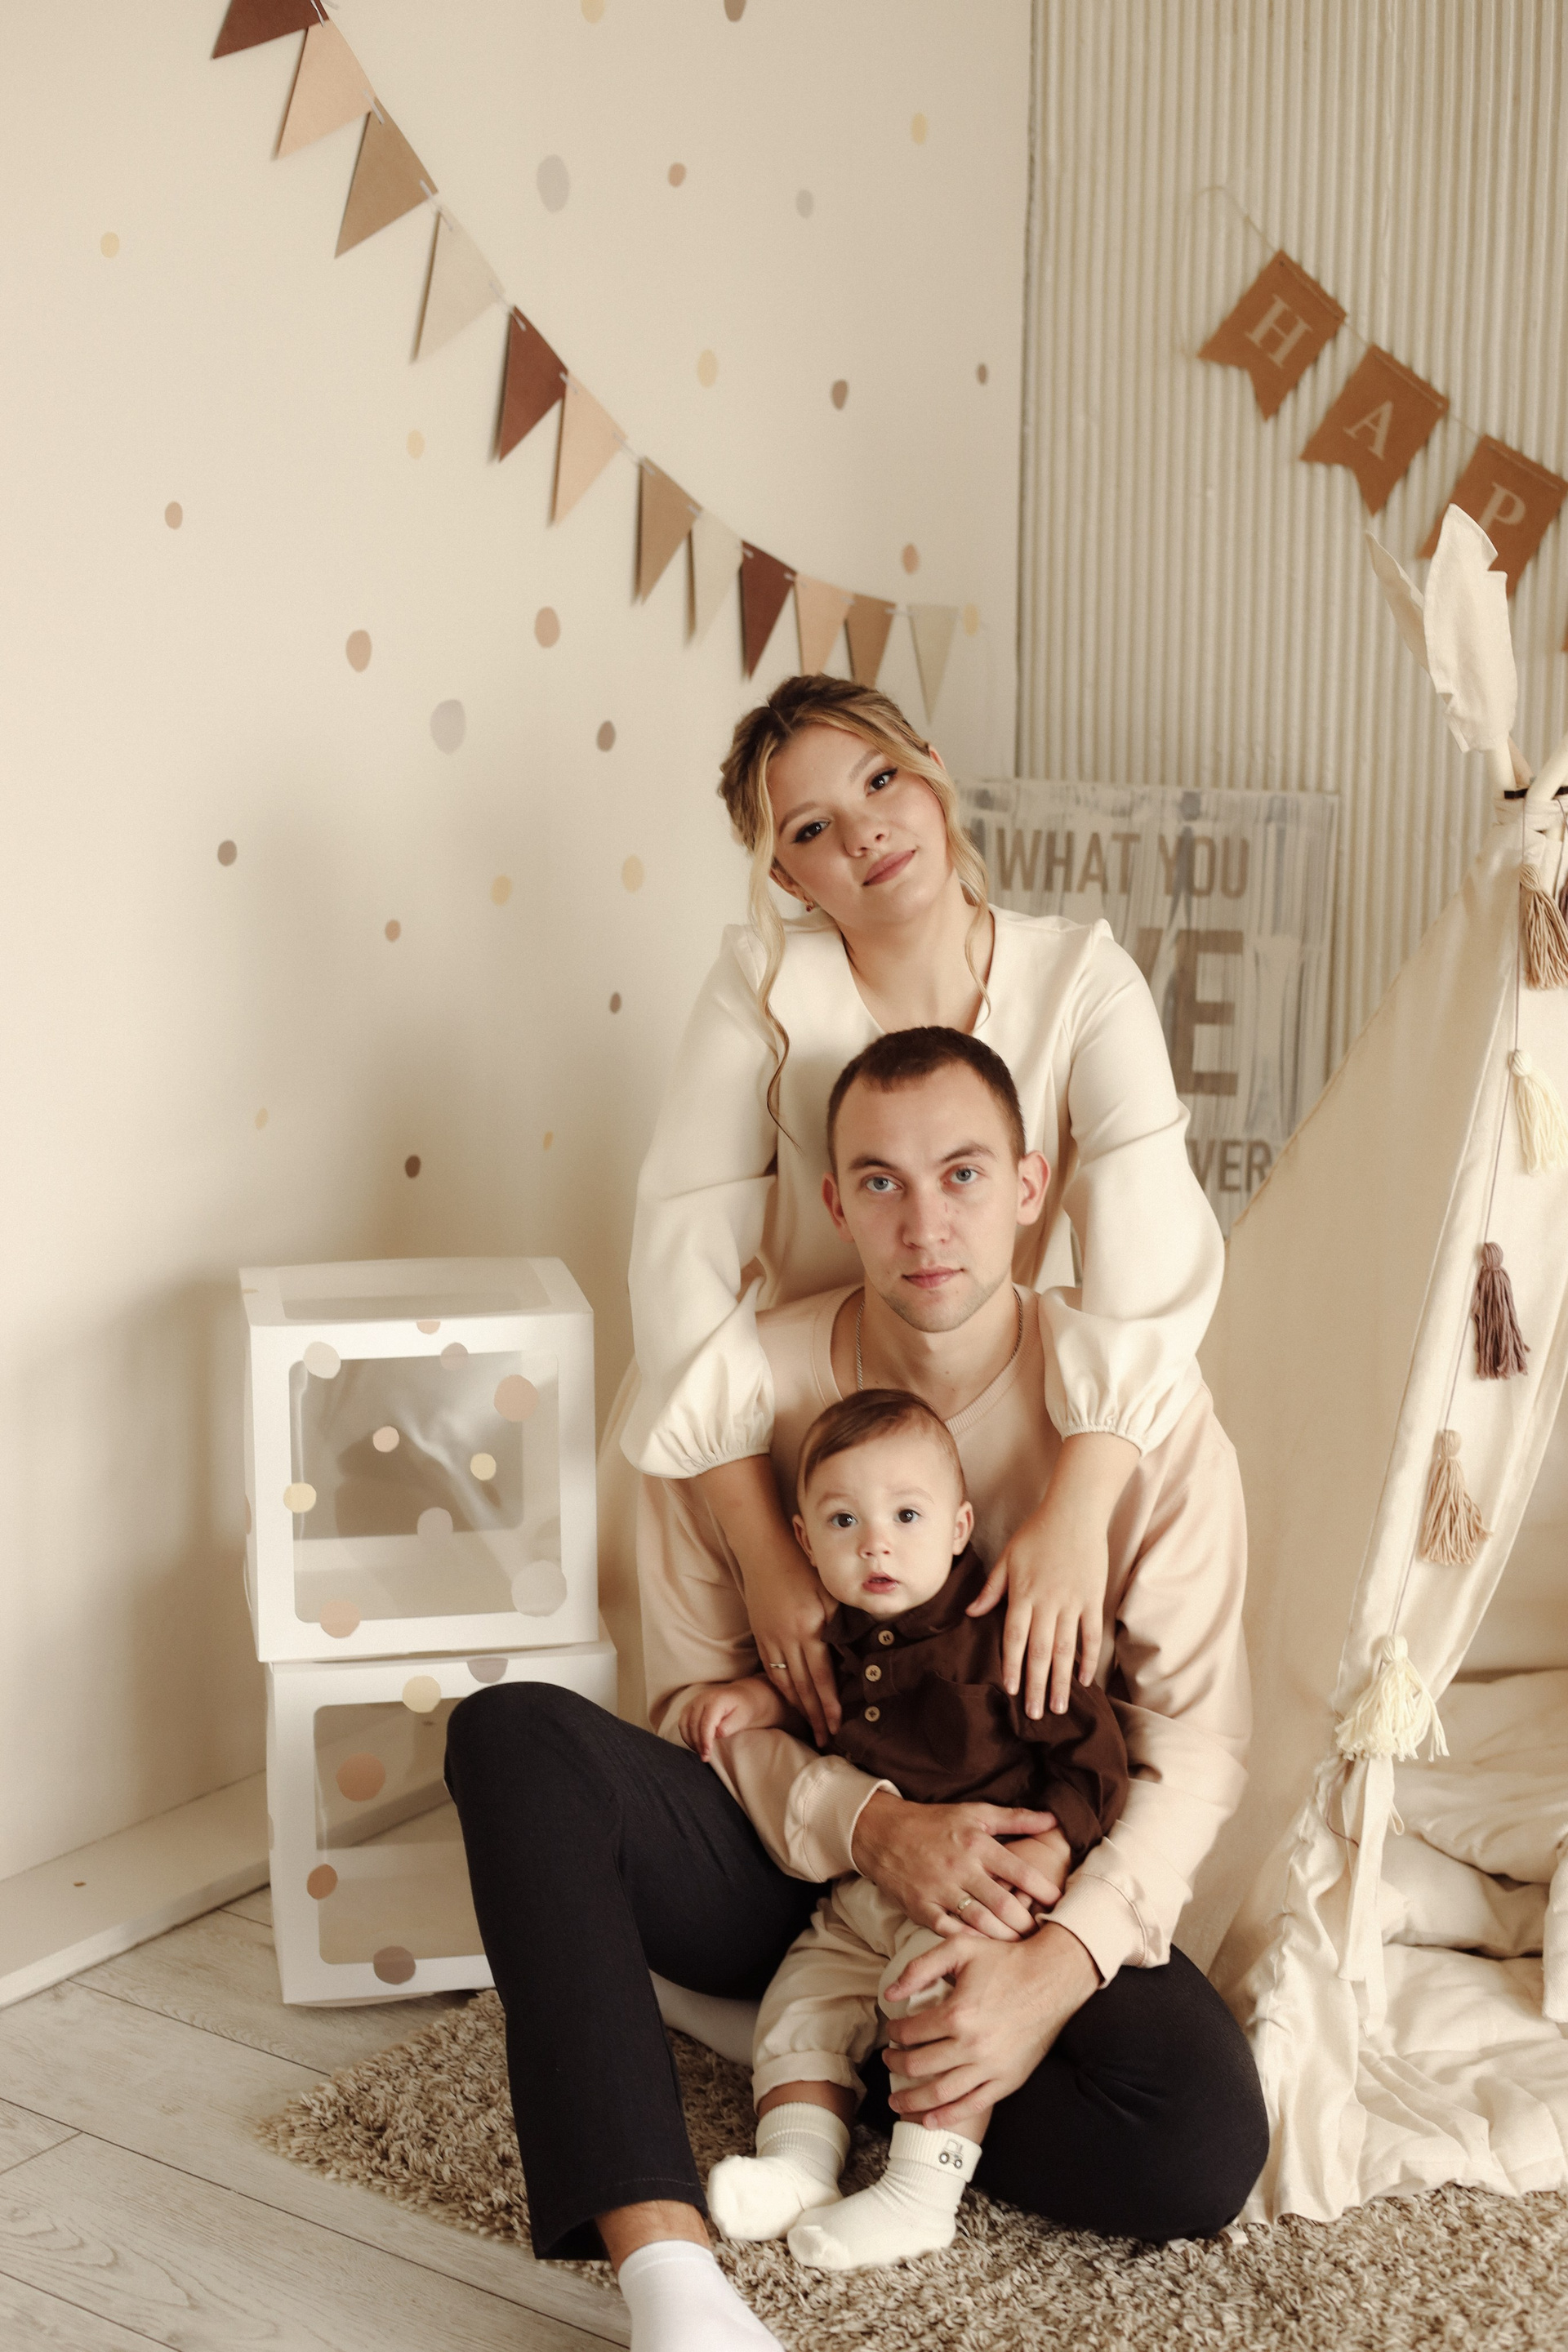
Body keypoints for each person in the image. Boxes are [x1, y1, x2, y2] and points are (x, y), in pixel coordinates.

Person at [444, 1027, 1264, 2352]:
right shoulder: (736, 1393)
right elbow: (695, 1709)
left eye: (963, 1174)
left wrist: (1050, 1970)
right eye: (881, 1182)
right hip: (784, 1867)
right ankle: (671, 2281)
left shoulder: (1139, 1415)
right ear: (835, 1203)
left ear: (1031, 1188)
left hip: (1016, 1880)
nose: (924, 1223)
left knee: (1200, 2144)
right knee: (511, 1736)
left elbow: (1197, 1744)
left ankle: (854, 2066)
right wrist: (872, 1826)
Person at [599, 673, 1223, 1738]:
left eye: (881, 780)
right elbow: (679, 1248)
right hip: (792, 1416)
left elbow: (1150, 1240)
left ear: (932, 769)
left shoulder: (1083, 979)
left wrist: (1078, 1513)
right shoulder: (759, 989)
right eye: (812, 828)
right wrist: (766, 1552)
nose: (865, 833)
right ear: (787, 875)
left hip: (988, 1384)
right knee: (750, 1736)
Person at [688, 1387, 1129, 2272]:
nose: (876, 1544)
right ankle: (798, 2164)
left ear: (960, 1527)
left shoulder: (1002, 1632)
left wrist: (1053, 1848)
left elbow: (1094, 1757)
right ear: (804, 1541)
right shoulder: (838, 1640)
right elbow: (814, 1702)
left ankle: (921, 2197)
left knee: (944, 2015)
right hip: (862, 1895)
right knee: (803, 2002)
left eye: (906, 1516)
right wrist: (755, 1699)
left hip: (978, 1899)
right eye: (843, 1521)